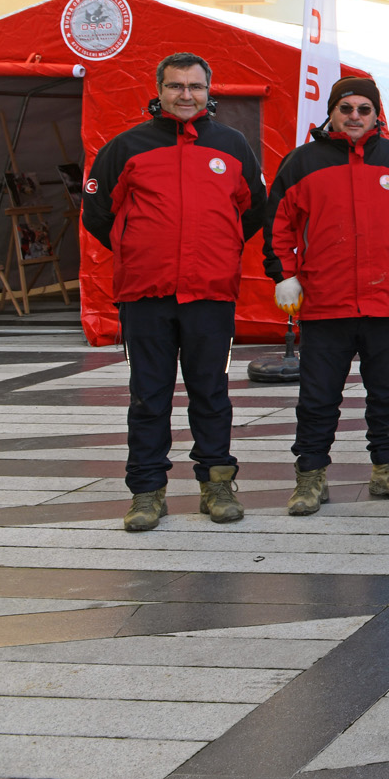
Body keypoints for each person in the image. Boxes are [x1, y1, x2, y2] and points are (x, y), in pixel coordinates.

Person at [85, 52, 266, 532]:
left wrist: (218, 248)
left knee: (211, 393)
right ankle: (147, 493)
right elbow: (97, 214)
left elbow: (252, 212)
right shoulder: (126, 148)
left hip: (209, 294)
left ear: (210, 92)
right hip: (146, 295)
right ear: (159, 90)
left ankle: (217, 485)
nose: (186, 95)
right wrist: (140, 249)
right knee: (149, 396)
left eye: (195, 87)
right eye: (176, 86)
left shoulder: (233, 146)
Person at [264, 77, 389, 515]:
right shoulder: (302, 162)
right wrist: (283, 275)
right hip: (325, 303)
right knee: (318, 396)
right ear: (332, 112)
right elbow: (277, 224)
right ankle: (311, 475)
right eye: (346, 108)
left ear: (377, 115)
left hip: (387, 302)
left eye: (364, 109)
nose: (354, 117)